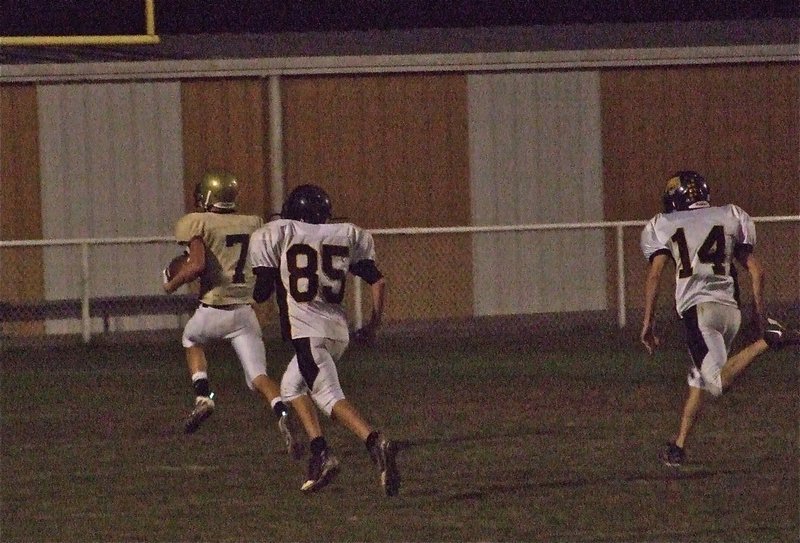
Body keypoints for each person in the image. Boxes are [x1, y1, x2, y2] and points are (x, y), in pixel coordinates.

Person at [639, 170, 800, 467]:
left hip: (698, 312)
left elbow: (655, 274)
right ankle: (678, 446)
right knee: (699, 376)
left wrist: (647, 321)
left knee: (716, 381)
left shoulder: (665, 224)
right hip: (730, 311)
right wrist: (758, 314)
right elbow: (756, 270)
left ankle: (769, 340)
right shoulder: (730, 216)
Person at [248, 184, 400, 496]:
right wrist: (373, 325)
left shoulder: (279, 233)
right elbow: (378, 281)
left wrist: (260, 281)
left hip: (307, 332)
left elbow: (262, 292)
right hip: (337, 333)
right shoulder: (344, 235)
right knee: (291, 387)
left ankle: (374, 441)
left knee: (329, 397)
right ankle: (320, 452)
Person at [162, 170, 304, 459]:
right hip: (244, 312)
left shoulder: (198, 222)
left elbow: (198, 264)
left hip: (214, 308)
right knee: (258, 376)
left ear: (209, 196)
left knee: (190, 339)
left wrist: (172, 283)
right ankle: (281, 409)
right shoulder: (252, 223)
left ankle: (203, 395)